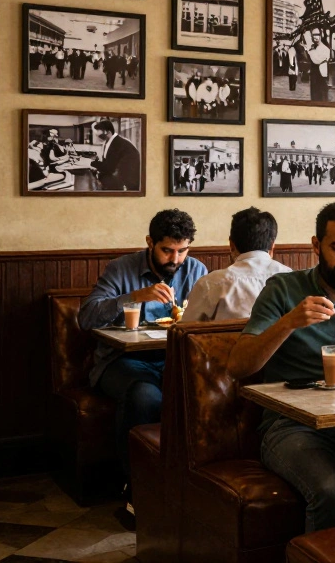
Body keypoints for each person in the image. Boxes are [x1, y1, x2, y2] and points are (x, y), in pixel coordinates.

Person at [228, 203, 335, 532]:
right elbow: (238, 366)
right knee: (334, 491)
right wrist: (288, 323)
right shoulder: (283, 289)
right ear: (316, 246)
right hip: (292, 427)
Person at [78, 210, 207, 513]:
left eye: (182, 250)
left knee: (202, 393)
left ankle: (188, 485)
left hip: (173, 360)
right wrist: (134, 297)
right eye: (167, 250)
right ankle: (137, 484)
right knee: (146, 395)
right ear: (150, 242)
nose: (175, 259)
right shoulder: (121, 269)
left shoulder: (196, 271)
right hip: (120, 362)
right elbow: (86, 317)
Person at [183, 208, 290, 322]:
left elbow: (185, 329)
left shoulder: (210, 284)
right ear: (272, 245)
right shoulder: (292, 279)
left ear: (231, 244)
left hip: (227, 340)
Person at [88, 119, 141, 191]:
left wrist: (92, 163)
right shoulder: (112, 141)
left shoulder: (117, 143)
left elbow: (109, 168)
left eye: (99, 134)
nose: (97, 136)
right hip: (120, 179)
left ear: (108, 132)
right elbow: (109, 163)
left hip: (128, 184)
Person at [302, 29, 332, 103]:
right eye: (313, 35)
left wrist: (309, 50)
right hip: (314, 74)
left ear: (321, 35)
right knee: (314, 95)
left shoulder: (325, 49)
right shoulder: (314, 48)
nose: (315, 37)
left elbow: (316, 60)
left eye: (317, 34)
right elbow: (309, 59)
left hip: (321, 75)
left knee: (321, 96)